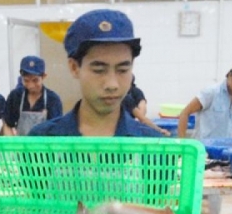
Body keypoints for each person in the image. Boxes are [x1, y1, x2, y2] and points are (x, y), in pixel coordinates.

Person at [28, 9, 162, 138]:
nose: (112, 85)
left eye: (122, 70)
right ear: (74, 68)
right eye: (99, 70)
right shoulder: (43, 140)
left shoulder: (153, 147)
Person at [177, 60, 232, 214]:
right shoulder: (210, 93)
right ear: (230, 76)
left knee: (214, 204)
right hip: (202, 156)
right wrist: (182, 146)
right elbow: (185, 113)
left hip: (222, 160)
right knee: (195, 200)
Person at [3, 55, 63, 136]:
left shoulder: (53, 100)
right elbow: (7, 125)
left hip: (44, 147)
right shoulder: (15, 96)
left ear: (44, 76)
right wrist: (13, 146)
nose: (31, 85)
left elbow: (56, 130)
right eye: (26, 80)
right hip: (21, 146)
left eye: (35, 80)